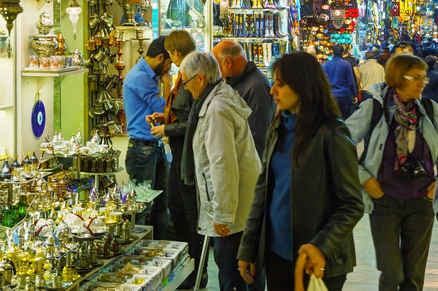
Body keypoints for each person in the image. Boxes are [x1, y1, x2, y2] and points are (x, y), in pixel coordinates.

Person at [238, 52, 364, 291]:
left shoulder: (332, 133)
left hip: (317, 260)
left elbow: (352, 204)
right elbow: (262, 193)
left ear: (303, 86)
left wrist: (320, 246)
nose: (272, 90)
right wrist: (248, 247)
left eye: (280, 84)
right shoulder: (279, 128)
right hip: (277, 255)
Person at [346, 55, 438, 291]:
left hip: (421, 201)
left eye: (423, 78)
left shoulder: (429, 110)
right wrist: (363, 178)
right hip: (385, 201)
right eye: (416, 78)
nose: (422, 83)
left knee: (413, 276)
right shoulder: (374, 108)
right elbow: (340, 143)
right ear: (398, 79)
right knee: (391, 271)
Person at [183, 52, 262, 291]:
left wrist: (223, 213)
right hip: (239, 206)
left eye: (186, 82)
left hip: (232, 215)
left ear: (200, 78)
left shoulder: (216, 108)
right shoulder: (218, 99)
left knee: (233, 275)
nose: (186, 88)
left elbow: (222, 163)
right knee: (242, 274)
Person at [148, 30, 204, 289]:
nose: (169, 61)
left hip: (187, 155)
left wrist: (166, 129)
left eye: (170, 55)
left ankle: (196, 271)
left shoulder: (192, 78)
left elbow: (194, 123)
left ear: (176, 53)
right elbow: (184, 116)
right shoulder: (184, 77)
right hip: (181, 154)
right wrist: (165, 119)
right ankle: (187, 267)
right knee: (177, 208)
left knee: (189, 214)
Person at [122, 36, 173, 239]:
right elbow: (162, 108)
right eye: (169, 64)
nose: (169, 69)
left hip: (153, 147)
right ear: (160, 57)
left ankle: (157, 248)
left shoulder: (148, 75)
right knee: (141, 207)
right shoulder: (140, 77)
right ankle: (137, 252)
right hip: (142, 150)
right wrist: (168, 85)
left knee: (162, 203)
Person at [323, 45, 357, 118]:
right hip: (344, 95)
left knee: (333, 118)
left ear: (333, 53)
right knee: (346, 118)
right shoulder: (346, 64)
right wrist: (354, 95)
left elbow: (324, 80)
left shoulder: (327, 64)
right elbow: (350, 82)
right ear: (342, 53)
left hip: (332, 96)